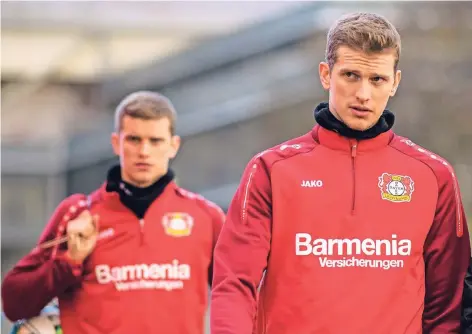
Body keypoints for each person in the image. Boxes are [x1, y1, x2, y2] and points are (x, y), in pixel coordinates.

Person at [210, 12, 470, 334]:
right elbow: (234, 283)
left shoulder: (434, 175)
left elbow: (448, 306)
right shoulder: (271, 170)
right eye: (350, 75)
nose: (363, 94)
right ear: (325, 74)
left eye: (377, 80)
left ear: (395, 82)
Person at [2, 91, 225, 334]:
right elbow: (14, 303)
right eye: (134, 139)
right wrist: (68, 263)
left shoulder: (206, 217)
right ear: (116, 143)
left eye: (155, 141)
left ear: (174, 146)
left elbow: (242, 298)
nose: (144, 152)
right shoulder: (77, 213)